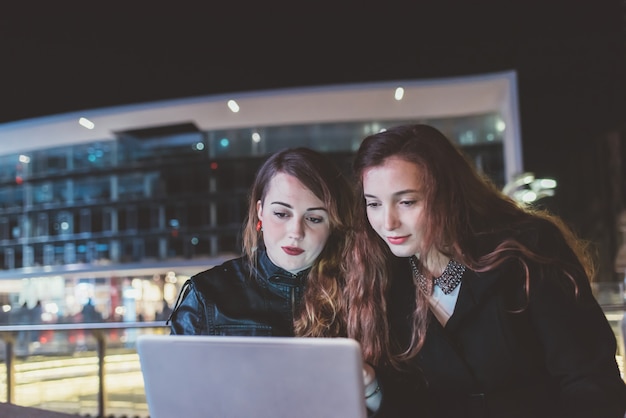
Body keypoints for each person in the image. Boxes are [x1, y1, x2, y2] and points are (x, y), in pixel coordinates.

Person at [344, 123, 626, 418]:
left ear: (448, 194)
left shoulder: (527, 250)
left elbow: (591, 382)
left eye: (407, 202)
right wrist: (372, 389)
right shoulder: (384, 277)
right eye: (373, 204)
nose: (387, 222)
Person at [169, 147, 382, 412]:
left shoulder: (362, 292)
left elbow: (400, 406)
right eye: (282, 214)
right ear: (260, 211)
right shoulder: (207, 295)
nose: (296, 232)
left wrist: (371, 384)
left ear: (332, 225)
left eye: (314, 218)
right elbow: (174, 402)